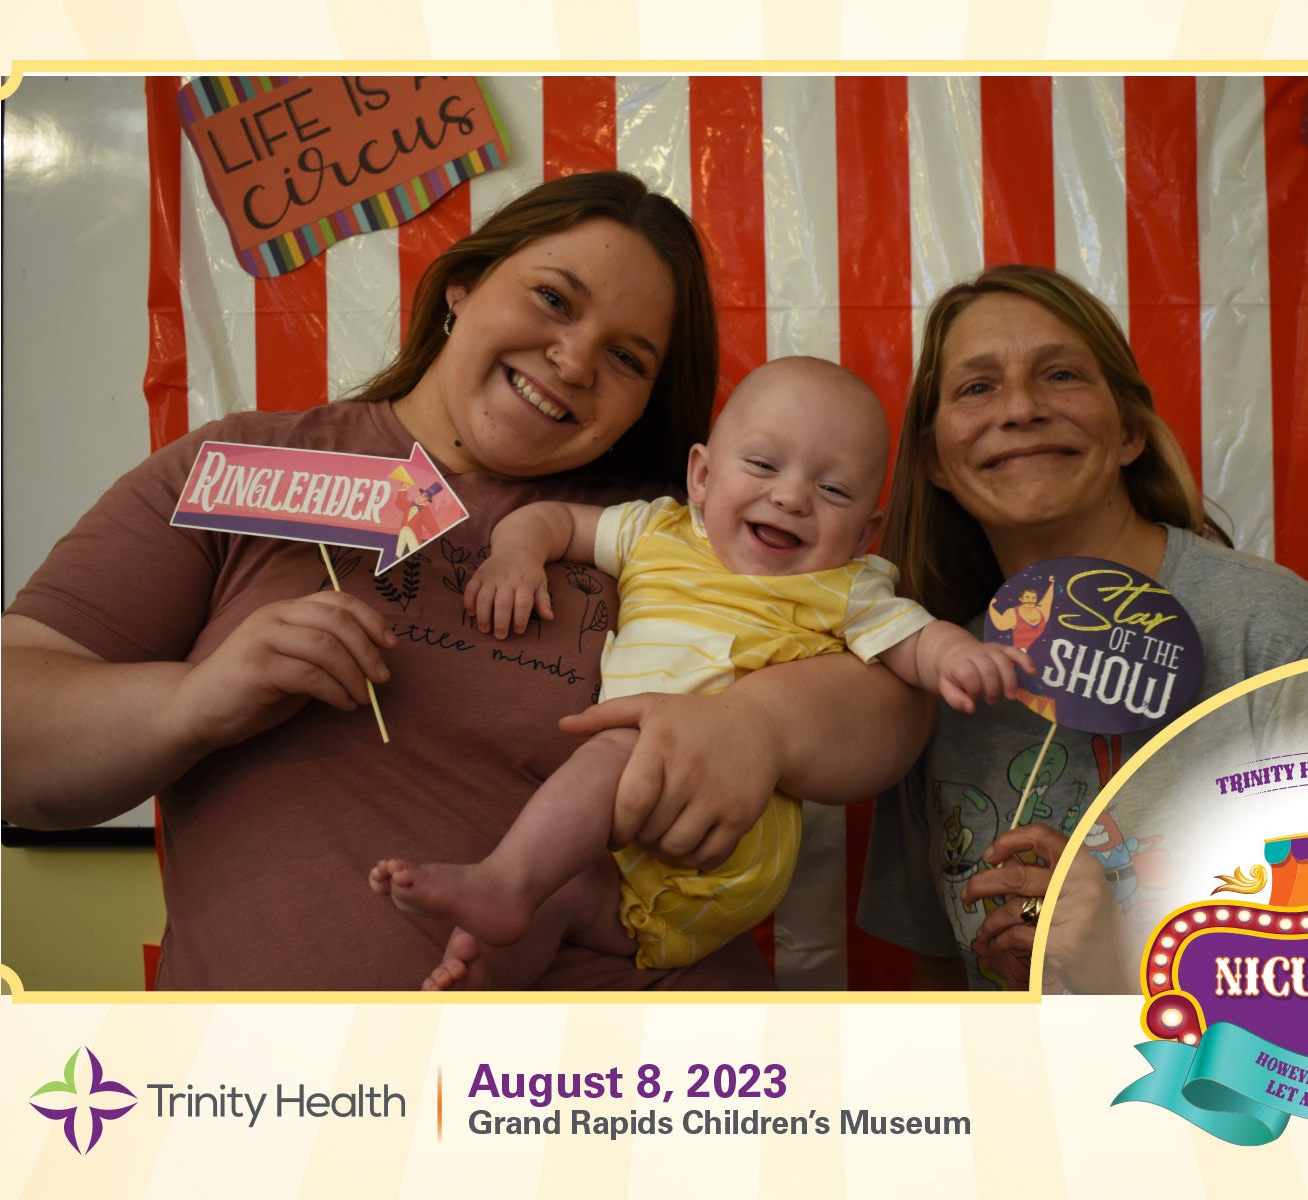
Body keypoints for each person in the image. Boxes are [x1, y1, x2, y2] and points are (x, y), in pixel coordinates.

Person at [1, 171, 931, 991]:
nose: (573, 360)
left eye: (627, 357)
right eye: (554, 300)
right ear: (460, 287)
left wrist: (760, 727)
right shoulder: (245, 466)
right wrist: (193, 702)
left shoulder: (691, 525)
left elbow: (898, 698)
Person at [369, 357, 1033, 988]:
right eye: (764, 464)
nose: (793, 496)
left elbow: (911, 643)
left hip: (726, 835)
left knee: (627, 744)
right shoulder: (657, 530)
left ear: (865, 533)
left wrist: (956, 656)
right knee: (563, 899)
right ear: (703, 477)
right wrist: (515, 554)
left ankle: (505, 879)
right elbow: (552, 522)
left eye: (833, 490)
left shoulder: (845, 587)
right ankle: (487, 966)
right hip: (627, 859)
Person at [855, 264, 1308, 993]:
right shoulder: (936, 678)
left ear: (1129, 431)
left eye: (1061, 375)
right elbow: (941, 977)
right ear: (937, 460)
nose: (1021, 409)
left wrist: (1125, 970)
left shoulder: (1279, 638)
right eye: (977, 387)